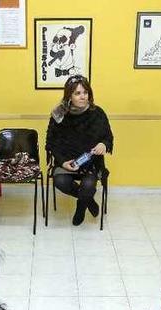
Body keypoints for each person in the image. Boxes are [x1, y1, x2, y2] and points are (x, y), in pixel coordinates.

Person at [46, 75, 113, 226]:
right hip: (66, 161)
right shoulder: (59, 114)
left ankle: (81, 207)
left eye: (85, 92)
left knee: (88, 186)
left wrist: (103, 144)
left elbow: (108, 137)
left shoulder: (97, 113)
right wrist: (62, 163)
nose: (83, 96)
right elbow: (52, 143)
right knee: (61, 181)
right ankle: (89, 202)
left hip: (91, 162)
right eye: (77, 93)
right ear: (69, 95)